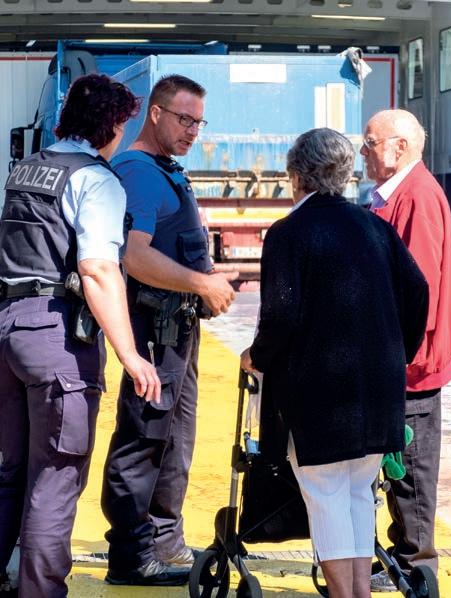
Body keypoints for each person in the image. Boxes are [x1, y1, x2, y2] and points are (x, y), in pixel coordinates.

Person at [240, 128, 429, 598]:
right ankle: (359, 592)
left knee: (324, 496)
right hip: (378, 389)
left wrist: (256, 356)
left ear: (296, 175)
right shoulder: (375, 227)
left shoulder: (288, 233)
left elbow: (281, 315)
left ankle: (346, 596)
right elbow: (418, 290)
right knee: (359, 494)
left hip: (319, 395)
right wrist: (395, 352)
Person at [0, 74, 161, 598]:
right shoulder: (96, 180)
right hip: (56, 340)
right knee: (55, 477)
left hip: (8, 330)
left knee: (8, 473)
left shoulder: (26, 169)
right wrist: (130, 353)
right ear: (113, 126)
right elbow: (98, 270)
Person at [101, 74, 238, 586]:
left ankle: (164, 540)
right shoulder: (137, 171)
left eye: (199, 122)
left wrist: (202, 283)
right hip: (154, 328)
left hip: (176, 327)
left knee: (175, 437)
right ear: (155, 114)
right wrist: (201, 282)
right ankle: (131, 554)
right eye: (184, 119)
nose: (193, 131)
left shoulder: (164, 169)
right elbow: (134, 257)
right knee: (144, 435)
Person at [360, 109, 451, 591]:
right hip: (400, 356)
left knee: (412, 468)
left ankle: (416, 564)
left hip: (410, 361)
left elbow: (416, 288)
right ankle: (402, 554)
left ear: (398, 147)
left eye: (369, 142)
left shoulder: (416, 195)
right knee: (398, 462)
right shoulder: (398, 194)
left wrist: (392, 353)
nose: (362, 152)